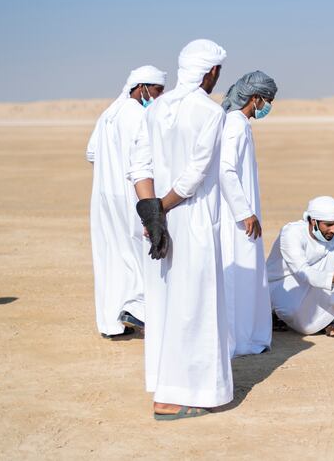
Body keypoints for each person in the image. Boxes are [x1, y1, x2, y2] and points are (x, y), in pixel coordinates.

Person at [127, 39, 232, 420]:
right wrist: (161, 210)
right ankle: (178, 395)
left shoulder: (156, 108)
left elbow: (139, 166)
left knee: (166, 302)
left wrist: (150, 214)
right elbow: (194, 176)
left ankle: (163, 383)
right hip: (192, 218)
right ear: (212, 72)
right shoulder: (210, 112)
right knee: (195, 305)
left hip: (158, 224)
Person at [86, 65, 166, 338]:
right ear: (142, 87)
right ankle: (139, 310)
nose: (158, 96)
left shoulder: (109, 113)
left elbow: (91, 154)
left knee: (110, 256)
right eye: (157, 90)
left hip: (103, 196)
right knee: (140, 252)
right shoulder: (137, 114)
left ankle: (111, 323)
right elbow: (142, 161)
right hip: (129, 193)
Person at [219, 71, 278, 356]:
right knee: (238, 276)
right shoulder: (234, 125)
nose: (268, 106)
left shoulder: (241, 124)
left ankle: (249, 339)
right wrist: (245, 212)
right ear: (254, 98)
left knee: (249, 276)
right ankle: (237, 342)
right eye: (267, 100)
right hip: (237, 219)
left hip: (244, 213)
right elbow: (225, 170)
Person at [266, 196, 334, 338]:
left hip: (311, 283)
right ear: (313, 221)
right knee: (296, 317)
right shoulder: (291, 233)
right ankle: (274, 313)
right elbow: (302, 272)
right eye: (328, 225)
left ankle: (327, 320)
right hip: (282, 285)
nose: (333, 230)